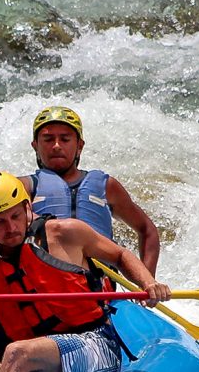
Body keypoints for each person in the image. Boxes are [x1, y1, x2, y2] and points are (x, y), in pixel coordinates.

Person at [0, 171, 171, 372]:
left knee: (18, 353)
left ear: (27, 207)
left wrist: (148, 283)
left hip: (95, 346)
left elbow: (120, 255)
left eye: (15, 216)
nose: (11, 227)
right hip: (33, 358)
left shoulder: (64, 233)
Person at [20, 105, 160, 275]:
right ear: (35, 145)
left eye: (65, 139)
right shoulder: (22, 187)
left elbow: (147, 230)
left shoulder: (107, 186)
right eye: (48, 139)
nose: (56, 146)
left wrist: (146, 281)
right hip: (46, 281)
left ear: (79, 145)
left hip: (99, 285)